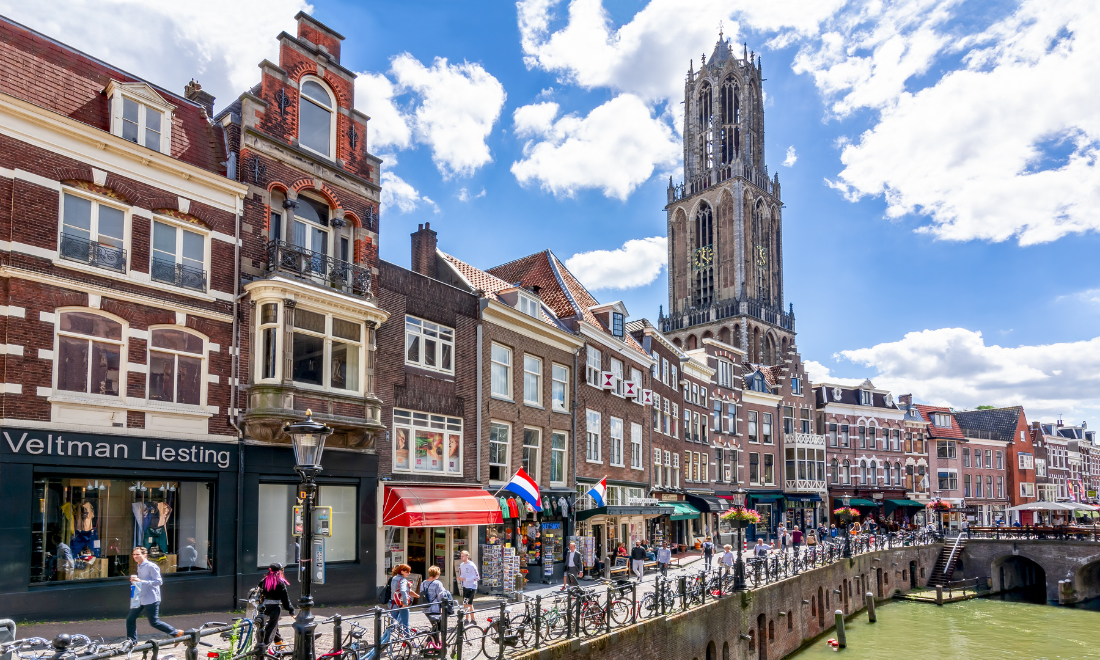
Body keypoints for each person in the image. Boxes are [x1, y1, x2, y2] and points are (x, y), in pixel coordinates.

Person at [126, 546, 183, 642]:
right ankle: (132, 642)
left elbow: (159, 582)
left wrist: (141, 581)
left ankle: (176, 633)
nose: (135, 556)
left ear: (145, 555)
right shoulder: (139, 565)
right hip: (140, 597)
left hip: (151, 598)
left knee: (154, 622)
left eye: (138, 554)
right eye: (134, 554)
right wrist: (136, 582)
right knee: (130, 619)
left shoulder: (151, 566)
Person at [257, 563, 294, 645]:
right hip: (275, 608)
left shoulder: (263, 581)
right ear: (279, 571)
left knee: (273, 624)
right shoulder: (280, 583)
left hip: (264, 607)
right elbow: (285, 598)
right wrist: (290, 609)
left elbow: (259, 593)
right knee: (271, 627)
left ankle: (278, 642)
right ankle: (264, 646)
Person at [422, 566, 451, 647]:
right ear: (437, 574)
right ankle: (426, 644)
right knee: (439, 627)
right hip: (435, 608)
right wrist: (442, 606)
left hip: (426, 608)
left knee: (436, 627)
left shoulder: (423, 583)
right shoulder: (437, 583)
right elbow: (441, 596)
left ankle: (438, 645)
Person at [389, 564, 418, 630]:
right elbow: (403, 591)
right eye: (407, 571)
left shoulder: (393, 578)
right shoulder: (403, 580)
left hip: (393, 602)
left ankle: (386, 637)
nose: (409, 573)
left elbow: (394, 591)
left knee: (392, 625)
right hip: (401, 603)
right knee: (405, 623)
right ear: (402, 571)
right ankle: (405, 635)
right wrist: (405, 603)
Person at [457, 550, 479, 622]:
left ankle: (472, 619)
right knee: (465, 603)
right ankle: (467, 619)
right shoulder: (461, 565)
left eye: (463, 556)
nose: (461, 558)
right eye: (461, 556)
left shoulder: (472, 565)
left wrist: (466, 579)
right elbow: (462, 574)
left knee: (468, 603)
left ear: (467, 556)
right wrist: (460, 578)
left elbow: (477, 577)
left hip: (471, 587)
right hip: (465, 586)